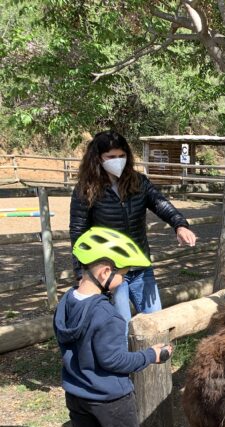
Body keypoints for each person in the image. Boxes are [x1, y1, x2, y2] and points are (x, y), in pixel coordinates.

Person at [8, 227, 173, 427]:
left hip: (77, 391)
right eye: (123, 274)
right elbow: (115, 361)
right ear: (105, 272)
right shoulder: (107, 316)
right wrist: (151, 355)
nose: (124, 279)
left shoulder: (66, 302)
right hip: (110, 397)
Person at [70, 131, 197, 329]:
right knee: (120, 327)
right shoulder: (85, 189)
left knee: (157, 324)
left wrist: (179, 225)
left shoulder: (139, 182)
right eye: (111, 157)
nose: (117, 160)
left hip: (141, 267)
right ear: (98, 158)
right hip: (109, 271)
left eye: (121, 156)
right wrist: (81, 274)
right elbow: (78, 232)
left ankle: (156, 351)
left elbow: (161, 204)